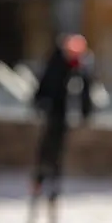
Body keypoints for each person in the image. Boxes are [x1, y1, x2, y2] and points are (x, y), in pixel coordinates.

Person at [31, 33, 95, 199]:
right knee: (46, 146)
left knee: (58, 148)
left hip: (66, 112)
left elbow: (86, 91)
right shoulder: (55, 63)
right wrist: (40, 102)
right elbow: (45, 84)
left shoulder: (81, 66)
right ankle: (40, 178)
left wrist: (86, 111)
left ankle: (53, 181)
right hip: (52, 109)